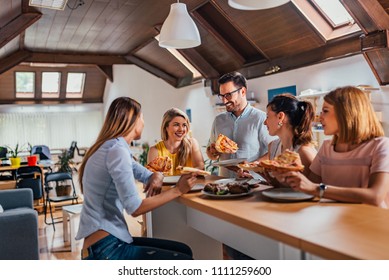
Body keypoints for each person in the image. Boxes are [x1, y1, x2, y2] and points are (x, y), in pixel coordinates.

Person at [75, 97, 199, 260]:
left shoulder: (114, 147)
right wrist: (178, 190)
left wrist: (156, 175)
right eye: (142, 117)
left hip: (108, 242)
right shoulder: (117, 151)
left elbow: (146, 174)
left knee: (184, 250)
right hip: (106, 250)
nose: (143, 122)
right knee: (183, 259)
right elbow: (134, 208)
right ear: (132, 119)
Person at [274, 86, 389, 208]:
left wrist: (317, 189)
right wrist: (290, 177)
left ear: (346, 112)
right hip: (335, 220)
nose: (320, 117)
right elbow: (309, 187)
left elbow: (375, 196)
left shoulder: (381, 146)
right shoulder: (326, 148)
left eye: (325, 111)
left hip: (371, 223)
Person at [206, 71, 274, 178]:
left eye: (228, 95)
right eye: (222, 96)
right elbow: (211, 153)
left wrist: (251, 165)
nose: (224, 100)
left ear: (242, 91)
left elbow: (274, 151)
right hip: (225, 184)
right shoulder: (218, 120)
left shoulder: (261, 118)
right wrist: (213, 152)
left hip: (253, 183)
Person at [239, 93, 317, 182]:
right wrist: (253, 178)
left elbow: (312, 191)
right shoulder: (273, 146)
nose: (265, 122)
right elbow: (278, 185)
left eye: (267, 116)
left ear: (280, 117)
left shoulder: (304, 152)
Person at [148, 108, 204, 175]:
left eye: (184, 125)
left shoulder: (192, 144)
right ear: (166, 127)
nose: (181, 129)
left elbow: (201, 167)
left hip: (188, 185)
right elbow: (150, 178)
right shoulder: (154, 150)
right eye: (176, 125)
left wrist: (184, 177)